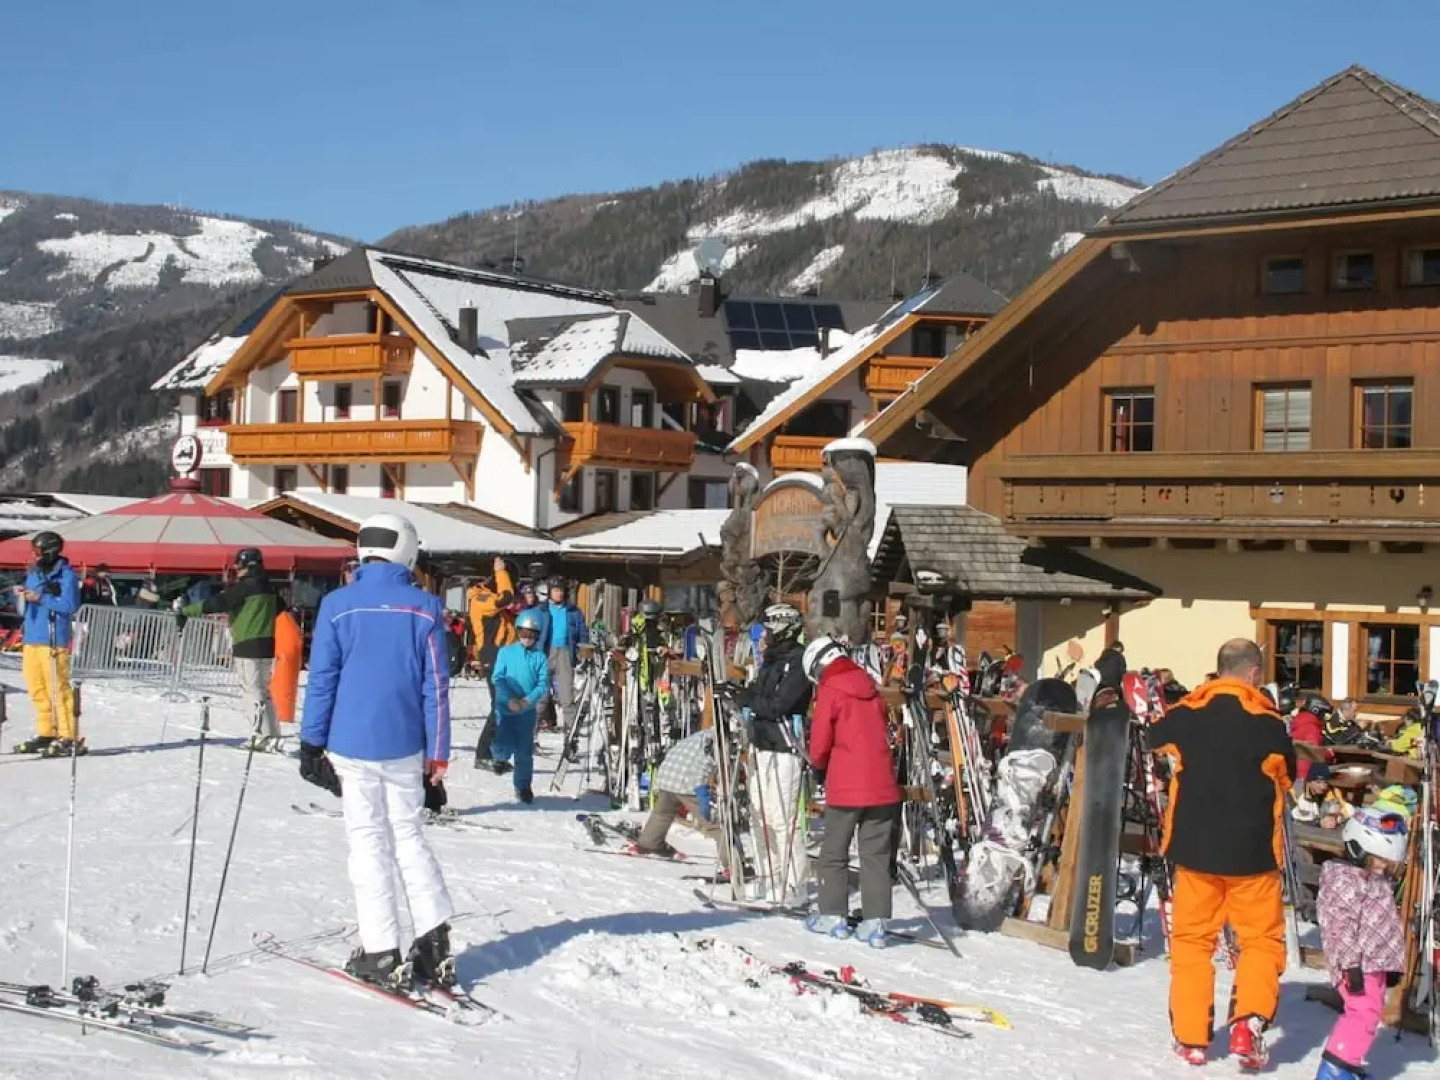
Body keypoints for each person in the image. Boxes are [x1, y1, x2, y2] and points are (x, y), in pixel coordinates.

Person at [299, 513, 456, 988]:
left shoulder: (337, 605)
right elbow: (437, 686)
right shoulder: (426, 608)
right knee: (408, 837)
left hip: (350, 742)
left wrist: (310, 744)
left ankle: (380, 949)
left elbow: (323, 678)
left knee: (367, 842)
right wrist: (438, 756)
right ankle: (434, 943)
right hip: (406, 744)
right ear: (406, 549)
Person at [1145, 638, 1296, 1068]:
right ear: (1253, 673)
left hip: (1195, 851)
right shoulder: (1268, 724)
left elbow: (1153, 742)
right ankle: (1248, 1021)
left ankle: (1192, 1039)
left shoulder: (1186, 715)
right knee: (1260, 942)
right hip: (1253, 856)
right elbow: (1287, 776)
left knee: (1192, 943)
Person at [802, 635, 901, 948]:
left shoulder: (830, 691)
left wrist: (817, 764)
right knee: (875, 855)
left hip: (847, 785)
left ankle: (833, 914)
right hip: (883, 785)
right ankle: (875, 922)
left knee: (834, 852)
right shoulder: (872, 688)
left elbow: (820, 740)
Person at [728, 603, 813, 905]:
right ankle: (769, 876)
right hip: (760, 742)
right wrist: (738, 694)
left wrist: (750, 701)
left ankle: (795, 884)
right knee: (758, 815)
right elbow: (755, 693)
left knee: (782, 818)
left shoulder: (800, 661)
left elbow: (781, 703)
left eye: (769, 627)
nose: (765, 634)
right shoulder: (770, 660)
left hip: (786, 744)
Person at [1313, 810, 1409, 1080]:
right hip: (1355, 964)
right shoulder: (1343, 880)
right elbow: (1339, 928)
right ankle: (1334, 1068)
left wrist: (1389, 964)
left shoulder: (1372, 879)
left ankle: (1347, 1063)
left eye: (1387, 862)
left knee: (1370, 1013)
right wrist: (1349, 965)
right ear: (1358, 849)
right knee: (1362, 1014)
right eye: (1379, 859)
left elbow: (1381, 924)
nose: (1384, 866)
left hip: (1373, 963)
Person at [181, 548, 281, 751]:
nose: (238, 571)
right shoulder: (269, 587)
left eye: (239, 567)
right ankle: (272, 733)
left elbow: (218, 602)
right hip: (267, 643)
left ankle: (260, 735)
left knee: (251, 692)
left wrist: (186, 611)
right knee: (263, 691)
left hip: (247, 643)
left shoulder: (245, 587)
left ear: (246, 566)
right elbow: (280, 606)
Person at [14, 531, 82, 756]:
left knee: (58, 689)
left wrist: (43, 598)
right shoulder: (34, 573)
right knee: (37, 688)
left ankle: (68, 735)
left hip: (53, 639)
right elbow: (23, 607)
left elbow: (70, 605)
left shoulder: (66, 576)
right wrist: (22, 595)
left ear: (50, 551)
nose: (35, 556)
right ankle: (47, 731)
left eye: (38, 551)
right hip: (32, 637)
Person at [626, 727, 731, 875]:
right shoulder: (717, 743)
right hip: (686, 782)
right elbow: (699, 771)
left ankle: (649, 843)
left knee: (662, 814)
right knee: (715, 824)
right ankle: (732, 864)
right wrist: (704, 798)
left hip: (666, 775)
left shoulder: (701, 735)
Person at [489, 607, 549, 803]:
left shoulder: (539, 657)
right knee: (503, 739)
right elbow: (498, 678)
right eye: (524, 633)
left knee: (524, 750)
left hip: (526, 710)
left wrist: (527, 701)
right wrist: (509, 700)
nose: (527, 638)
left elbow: (542, 685)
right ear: (517, 631)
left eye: (532, 635)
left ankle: (523, 786)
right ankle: (500, 757)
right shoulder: (506, 652)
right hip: (506, 707)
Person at [469, 557, 516, 766]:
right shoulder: (482, 599)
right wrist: (501, 572)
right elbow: (506, 597)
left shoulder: (492, 602)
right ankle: (483, 754)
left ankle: (494, 752)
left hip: (503, 656)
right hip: (492, 656)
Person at [536, 576, 587, 733]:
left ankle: (570, 740)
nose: (559, 594)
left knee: (567, 699)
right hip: (545, 653)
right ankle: (528, 738)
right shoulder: (541, 610)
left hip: (565, 653)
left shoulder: (573, 611)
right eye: (556, 591)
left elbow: (582, 633)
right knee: (540, 698)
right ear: (550, 592)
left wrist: (583, 650)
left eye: (561, 591)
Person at [270, 596, 304, 728]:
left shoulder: (282, 622)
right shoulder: (288, 622)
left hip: (283, 660)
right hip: (287, 660)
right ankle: (283, 713)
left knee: (281, 686)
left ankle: (281, 714)